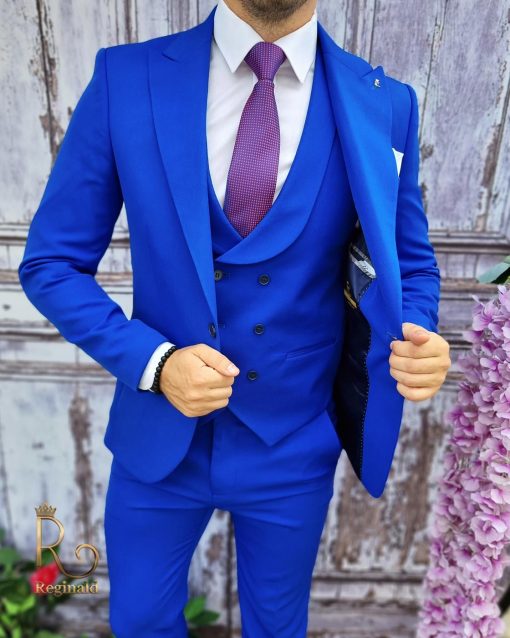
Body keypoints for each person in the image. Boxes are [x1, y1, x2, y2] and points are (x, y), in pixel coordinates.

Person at [18, 0, 451, 635]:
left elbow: (409, 262)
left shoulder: (386, 104)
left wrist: (420, 331)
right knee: (139, 623)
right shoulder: (126, 79)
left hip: (295, 439)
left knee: (279, 626)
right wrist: (155, 364)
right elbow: (51, 263)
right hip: (157, 439)